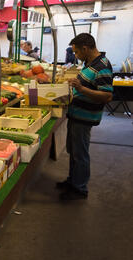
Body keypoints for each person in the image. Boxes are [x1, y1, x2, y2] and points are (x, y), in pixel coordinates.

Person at [57, 33, 113, 201]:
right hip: (76, 113)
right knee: (73, 151)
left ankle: (80, 188)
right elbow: (88, 83)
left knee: (80, 154)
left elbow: (106, 96)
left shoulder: (103, 66)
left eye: (76, 52)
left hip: (85, 117)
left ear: (85, 48)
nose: (76, 56)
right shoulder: (90, 63)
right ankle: (72, 181)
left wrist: (81, 89)